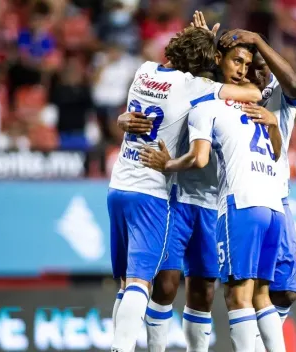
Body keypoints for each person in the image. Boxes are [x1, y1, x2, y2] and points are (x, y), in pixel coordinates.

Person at [108, 26, 262, 352]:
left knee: (143, 284)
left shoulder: (145, 70)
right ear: (212, 60)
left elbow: (135, 110)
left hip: (131, 184)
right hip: (165, 193)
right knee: (155, 284)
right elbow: (253, 94)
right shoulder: (197, 88)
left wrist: (124, 118)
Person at [140, 72, 286, 351]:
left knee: (205, 290)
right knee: (167, 285)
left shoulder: (239, 103)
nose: (241, 70)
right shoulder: (192, 89)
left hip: (214, 203)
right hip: (177, 197)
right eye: (236, 61)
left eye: (246, 63)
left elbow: (255, 94)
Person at [219, 28, 296, 352]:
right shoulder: (228, 96)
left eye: (261, 65)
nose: (254, 70)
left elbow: (295, 84)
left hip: (276, 196)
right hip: (244, 195)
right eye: (248, 64)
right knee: (247, 289)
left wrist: (256, 40)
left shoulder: (279, 94)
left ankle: (255, 344)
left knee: (284, 290)